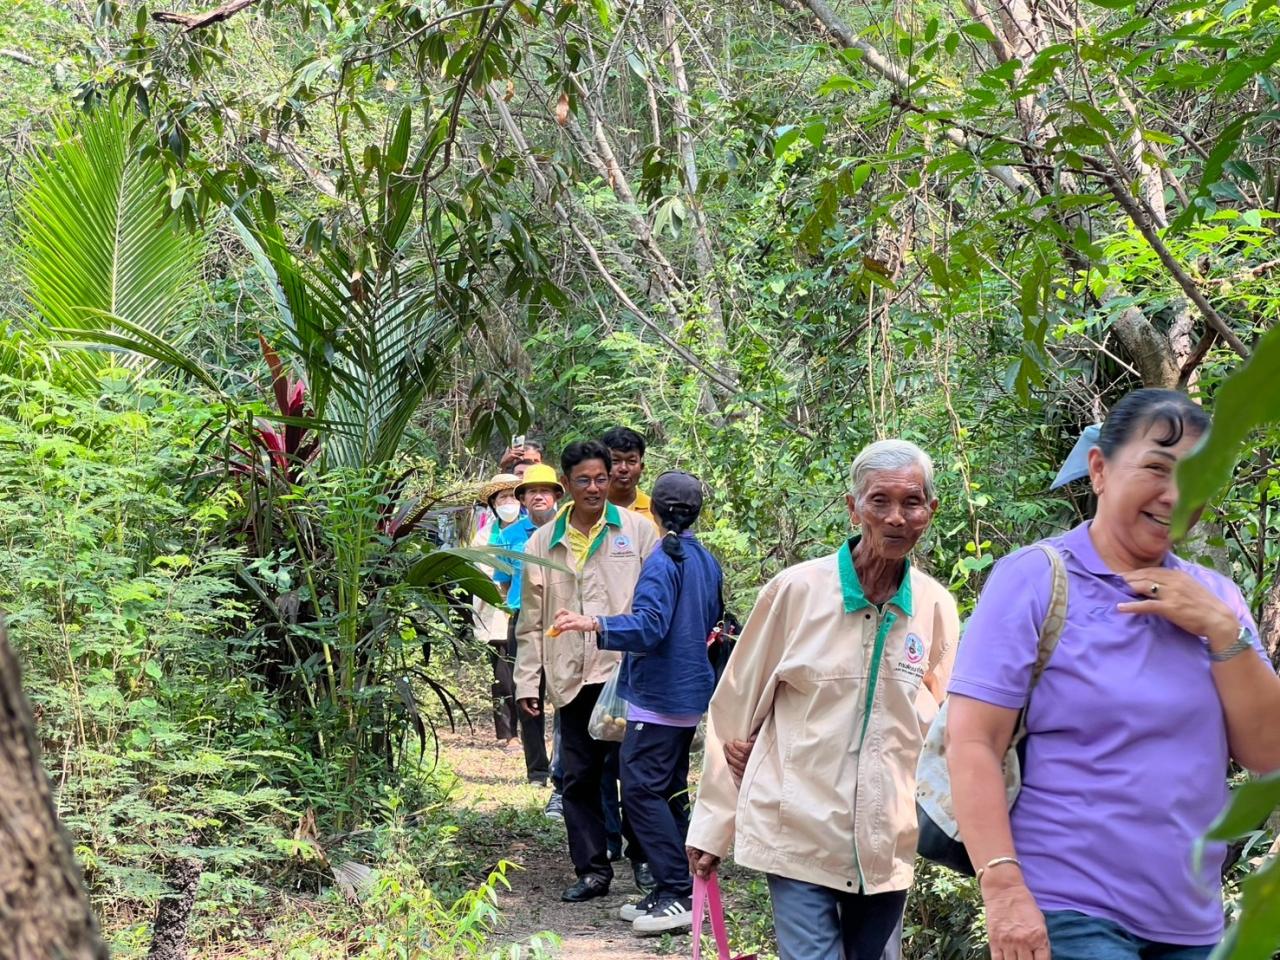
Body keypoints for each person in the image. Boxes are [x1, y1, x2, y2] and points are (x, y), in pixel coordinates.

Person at [946, 388, 1280, 960]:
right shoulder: (1033, 579)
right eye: (1156, 468)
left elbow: (1267, 752)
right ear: (1099, 469)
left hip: (1191, 921)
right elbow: (973, 739)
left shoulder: (1218, 598)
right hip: (1067, 910)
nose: (1176, 495)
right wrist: (1003, 890)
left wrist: (1224, 631)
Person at [685, 439, 960, 960]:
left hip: (887, 842)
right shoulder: (795, 592)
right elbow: (734, 710)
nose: (897, 517)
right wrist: (713, 826)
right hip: (798, 830)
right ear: (853, 507)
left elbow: (945, 730)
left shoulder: (935, 607)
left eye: (913, 502)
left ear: (931, 511)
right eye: (880, 501)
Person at [554, 471, 724, 935]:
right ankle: (677, 887)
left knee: (641, 791)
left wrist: (594, 624)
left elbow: (649, 627)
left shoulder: (662, 561)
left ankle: (675, 891)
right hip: (689, 690)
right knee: (667, 789)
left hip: (660, 694)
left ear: (654, 512)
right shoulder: (705, 559)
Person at [514, 440, 660, 901]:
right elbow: (532, 620)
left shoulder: (638, 532)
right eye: (584, 480)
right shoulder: (543, 541)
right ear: (567, 485)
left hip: (626, 674)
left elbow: (656, 605)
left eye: (601, 478)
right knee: (578, 778)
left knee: (634, 776)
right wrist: (527, 680)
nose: (595, 488)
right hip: (571, 676)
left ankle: (644, 863)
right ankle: (593, 871)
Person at [493, 464, 563, 786]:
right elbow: (504, 582)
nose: (538, 497)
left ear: (555, 496)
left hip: (564, 621)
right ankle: (537, 771)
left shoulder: (569, 530)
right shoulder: (509, 537)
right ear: (523, 498)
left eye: (544, 491)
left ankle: (565, 767)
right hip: (524, 620)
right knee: (526, 695)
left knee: (567, 694)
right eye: (531, 491)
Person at [474, 473, 522, 748]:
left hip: (525, 612)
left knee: (526, 676)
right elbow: (481, 573)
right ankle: (507, 733)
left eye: (513, 496)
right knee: (502, 677)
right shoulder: (484, 536)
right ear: (493, 503)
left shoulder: (532, 530)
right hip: (495, 614)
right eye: (502, 497)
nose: (509, 502)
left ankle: (529, 730)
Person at [602, 426, 654, 524]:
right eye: (615, 461)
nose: (624, 468)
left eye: (631, 461)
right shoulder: (582, 511)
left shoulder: (655, 512)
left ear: (641, 467)